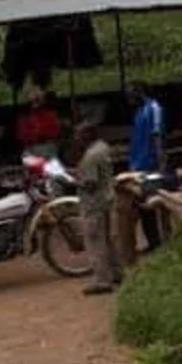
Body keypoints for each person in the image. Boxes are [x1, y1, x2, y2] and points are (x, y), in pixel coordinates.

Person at [73, 123, 121, 295]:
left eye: (78, 135)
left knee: (95, 241)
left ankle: (102, 280)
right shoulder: (103, 148)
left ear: (87, 136)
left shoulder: (90, 157)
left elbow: (90, 183)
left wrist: (73, 181)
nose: (76, 139)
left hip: (93, 204)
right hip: (107, 199)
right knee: (108, 239)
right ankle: (117, 273)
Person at [124, 82, 167, 252]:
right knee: (143, 205)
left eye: (130, 94)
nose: (128, 98)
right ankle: (153, 241)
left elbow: (156, 135)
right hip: (138, 164)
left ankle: (162, 240)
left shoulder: (154, 108)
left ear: (139, 92)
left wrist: (160, 159)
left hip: (149, 164)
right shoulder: (139, 111)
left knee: (153, 203)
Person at [17, 86, 63, 159]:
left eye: (38, 100)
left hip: (47, 147)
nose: (35, 104)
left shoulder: (50, 116)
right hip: (32, 148)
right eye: (34, 100)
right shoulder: (25, 118)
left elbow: (56, 132)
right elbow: (22, 136)